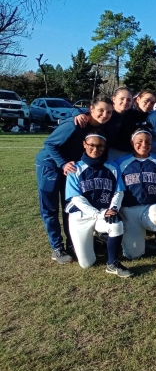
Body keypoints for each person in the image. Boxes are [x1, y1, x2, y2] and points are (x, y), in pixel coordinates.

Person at [36, 96, 114, 264]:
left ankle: (72, 243)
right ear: (91, 109)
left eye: (108, 112)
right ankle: (57, 248)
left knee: (70, 206)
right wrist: (62, 164)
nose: (105, 114)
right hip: (50, 165)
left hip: (70, 167)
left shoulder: (101, 127)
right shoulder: (76, 123)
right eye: (100, 110)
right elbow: (49, 144)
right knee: (50, 209)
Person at [64, 132, 133, 277]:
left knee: (115, 223)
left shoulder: (112, 167)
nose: (96, 149)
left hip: (103, 212)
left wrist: (113, 209)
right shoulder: (75, 168)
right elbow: (77, 199)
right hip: (80, 216)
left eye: (100, 146)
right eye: (92, 145)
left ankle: (112, 263)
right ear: (84, 144)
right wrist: (98, 214)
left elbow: (118, 192)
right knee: (87, 264)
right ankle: (99, 240)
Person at [118, 129, 156, 273]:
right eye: (139, 141)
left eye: (148, 142)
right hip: (128, 209)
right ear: (132, 143)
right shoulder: (121, 163)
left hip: (151, 205)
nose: (144, 144)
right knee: (133, 254)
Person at [73, 87, 134, 162]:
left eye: (129, 100)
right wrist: (78, 114)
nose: (125, 102)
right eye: (122, 98)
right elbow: (84, 110)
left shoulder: (130, 114)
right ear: (114, 99)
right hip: (86, 151)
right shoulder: (104, 111)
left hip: (106, 152)